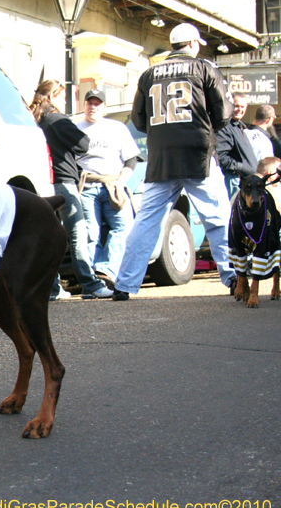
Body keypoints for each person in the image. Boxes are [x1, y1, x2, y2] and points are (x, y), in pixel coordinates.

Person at [113, 23, 236, 301]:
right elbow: (224, 113)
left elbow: (139, 120)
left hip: (160, 159)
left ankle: (124, 284)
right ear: (192, 44)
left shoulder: (148, 75)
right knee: (217, 218)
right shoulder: (204, 68)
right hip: (197, 155)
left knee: (146, 221)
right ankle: (233, 277)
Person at [29, 79, 112, 300]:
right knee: (77, 234)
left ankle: (53, 288)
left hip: (41, 182)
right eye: (63, 96)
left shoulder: (33, 119)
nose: (66, 101)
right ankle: (91, 285)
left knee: (49, 237)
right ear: (53, 97)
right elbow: (82, 144)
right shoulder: (57, 119)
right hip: (63, 182)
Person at [75, 89, 140, 286]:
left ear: (104, 107)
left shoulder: (117, 128)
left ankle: (107, 270)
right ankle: (94, 280)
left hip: (113, 185)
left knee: (125, 228)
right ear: (84, 105)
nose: (93, 107)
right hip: (86, 187)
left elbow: (131, 159)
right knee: (90, 234)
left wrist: (121, 181)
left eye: (97, 104)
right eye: (89, 103)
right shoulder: (75, 129)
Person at [216, 92, 257, 200]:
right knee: (231, 213)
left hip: (242, 181)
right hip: (231, 179)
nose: (239, 109)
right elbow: (220, 156)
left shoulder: (238, 126)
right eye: (236, 106)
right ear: (229, 105)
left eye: (242, 106)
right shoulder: (225, 126)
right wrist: (240, 168)